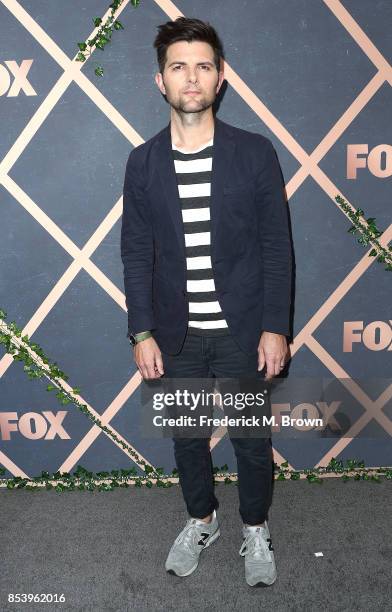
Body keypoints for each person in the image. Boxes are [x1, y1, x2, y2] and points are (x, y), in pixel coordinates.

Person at [121, 16, 292, 587]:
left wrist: (275, 326)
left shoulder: (255, 153)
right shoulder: (142, 163)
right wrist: (142, 332)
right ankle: (202, 518)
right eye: (178, 67)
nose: (190, 78)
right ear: (160, 81)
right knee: (188, 440)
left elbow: (275, 247)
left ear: (220, 79)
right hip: (178, 335)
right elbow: (135, 252)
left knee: (250, 439)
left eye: (202, 66)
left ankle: (254, 525)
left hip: (243, 330)